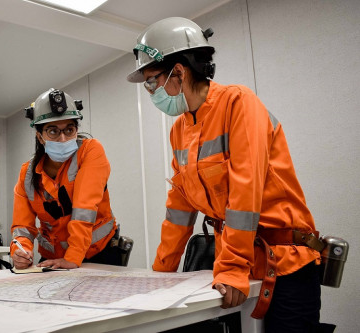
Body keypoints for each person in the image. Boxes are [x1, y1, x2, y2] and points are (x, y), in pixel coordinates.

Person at [127, 17, 333, 332]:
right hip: (241, 266)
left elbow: (245, 192)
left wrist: (233, 267)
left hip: (286, 264)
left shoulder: (239, 103)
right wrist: (162, 273)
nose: (150, 90)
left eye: (152, 80)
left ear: (178, 72)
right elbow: (179, 208)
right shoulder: (180, 131)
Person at [10, 88, 121, 270]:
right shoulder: (27, 174)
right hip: (53, 259)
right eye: (53, 131)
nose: (63, 139)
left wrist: (73, 257)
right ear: (40, 136)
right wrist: (20, 250)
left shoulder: (90, 151)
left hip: (98, 254)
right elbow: (22, 226)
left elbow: (84, 209)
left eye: (69, 129)